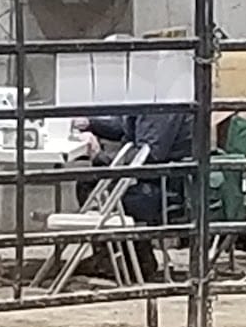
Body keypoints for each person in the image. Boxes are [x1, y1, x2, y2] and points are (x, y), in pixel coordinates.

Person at [75, 105, 194, 281]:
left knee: (93, 186)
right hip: (152, 178)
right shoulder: (154, 99)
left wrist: (100, 156)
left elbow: (148, 155)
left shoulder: (163, 107)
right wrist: (90, 124)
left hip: (164, 186)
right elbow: (124, 125)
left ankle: (124, 259)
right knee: (89, 182)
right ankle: (129, 257)